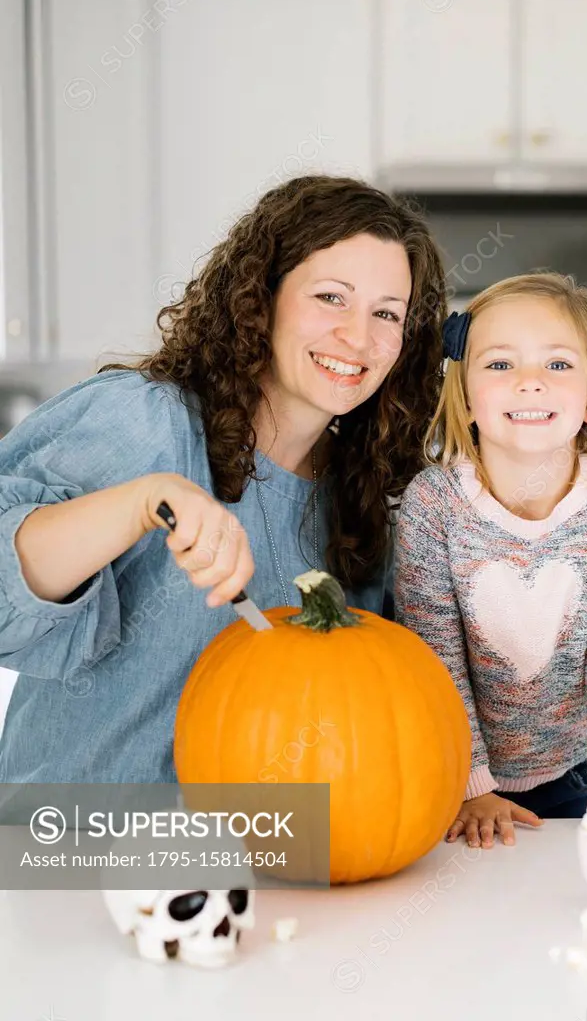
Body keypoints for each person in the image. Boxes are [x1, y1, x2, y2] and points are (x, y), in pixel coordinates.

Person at [0, 174, 446, 784]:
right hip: (79, 853)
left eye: (386, 313)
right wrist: (141, 502)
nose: (358, 336)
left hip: (259, 858)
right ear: (262, 298)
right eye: (330, 298)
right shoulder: (143, 422)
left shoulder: (363, 499)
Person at [394, 272, 587, 848]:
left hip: (579, 776)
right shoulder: (433, 505)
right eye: (500, 365)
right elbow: (435, 661)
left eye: (558, 365)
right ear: (466, 396)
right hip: (456, 777)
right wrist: (471, 787)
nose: (530, 384)